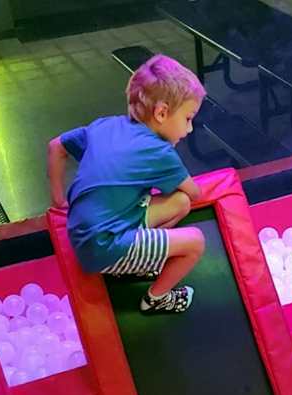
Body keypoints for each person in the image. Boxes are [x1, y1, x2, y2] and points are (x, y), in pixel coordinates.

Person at [47, 54, 206, 314]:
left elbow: (56, 147)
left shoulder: (104, 126)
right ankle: (156, 299)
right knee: (195, 242)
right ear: (162, 113)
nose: (189, 129)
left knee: (180, 203)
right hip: (104, 246)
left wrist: (59, 201)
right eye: (188, 119)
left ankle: (134, 265)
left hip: (82, 233)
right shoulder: (159, 152)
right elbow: (195, 192)